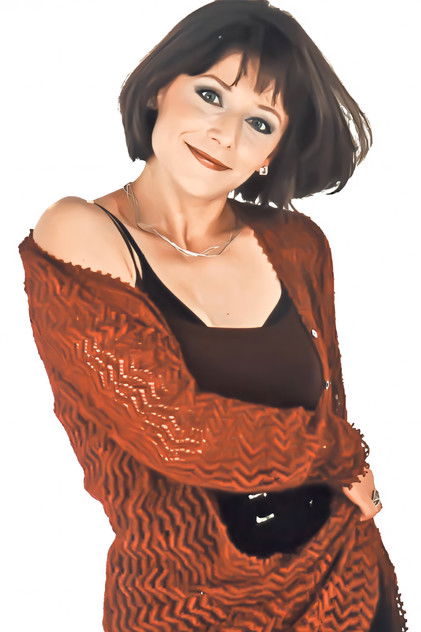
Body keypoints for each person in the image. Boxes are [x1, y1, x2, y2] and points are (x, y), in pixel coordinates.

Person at [20, 0, 408, 629]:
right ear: (159, 89)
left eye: (260, 122)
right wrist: (338, 452)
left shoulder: (297, 244)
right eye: (210, 95)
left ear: (272, 152)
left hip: (343, 584)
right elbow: (177, 433)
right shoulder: (79, 231)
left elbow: (326, 403)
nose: (226, 135)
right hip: (183, 605)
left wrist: (336, 452)